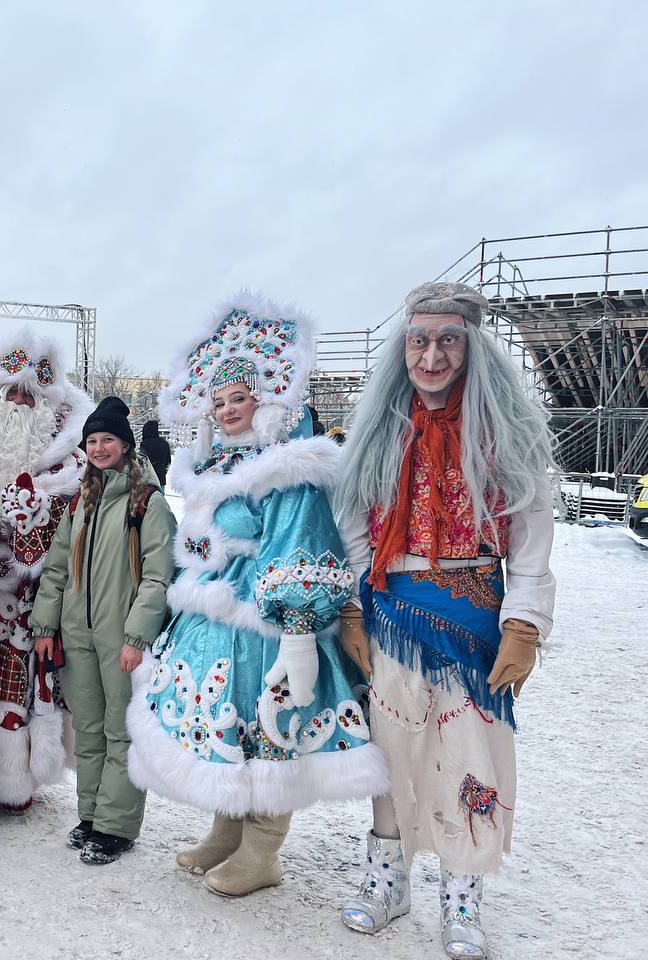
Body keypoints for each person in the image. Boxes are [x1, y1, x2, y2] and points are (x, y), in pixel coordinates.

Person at [125, 294, 387, 897]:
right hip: (216, 624)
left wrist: (298, 634)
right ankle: (227, 830)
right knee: (231, 727)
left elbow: (300, 546)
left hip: (269, 626)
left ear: (265, 399)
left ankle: (263, 850)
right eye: (218, 402)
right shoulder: (217, 465)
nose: (227, 410)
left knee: (272, 730)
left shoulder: (288, 469)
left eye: (238, 398)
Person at [333, 282, 556, 960]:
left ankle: (462, 894)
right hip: (392, 618)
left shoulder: (506, 434)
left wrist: (524, 624)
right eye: (420, 340)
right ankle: (388, 879)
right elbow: (352, 525)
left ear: (472, 346)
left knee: (470, 756)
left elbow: (531, 536)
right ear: (402, 347)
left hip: (474, 623)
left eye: (448, 340)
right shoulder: (378, 432)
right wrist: (351, 608)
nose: (431, 357)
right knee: (390, 751)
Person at [0, 330, 93, 813]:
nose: (19, 402)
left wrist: (33, 517)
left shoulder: (65, 464)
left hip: (22, 599)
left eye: (30, 396)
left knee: (12, 682)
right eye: (10, 392)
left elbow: (67, 538)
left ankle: (10, 778)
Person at [31, 396, 176, 865]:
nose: (98, 448)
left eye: (107, 439)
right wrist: (46, 625)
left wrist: (136, 637)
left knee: (121, 730)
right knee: (89, 728)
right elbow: (57, 569)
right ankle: (91, 815)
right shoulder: (83, 503)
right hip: (78, 635)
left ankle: (116, 825)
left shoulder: (147, 504)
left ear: (126, 445)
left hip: (120, 640)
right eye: (92, 441)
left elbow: (157, 576)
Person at [138, 419, 171, 487]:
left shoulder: (144, 443)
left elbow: (142, 460)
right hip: (161, 477)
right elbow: (168, 461)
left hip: (148, 478)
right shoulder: (164, 443)